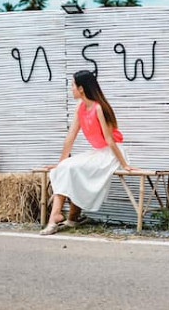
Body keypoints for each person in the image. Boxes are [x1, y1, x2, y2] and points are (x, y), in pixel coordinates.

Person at [40, 70, 137, 236]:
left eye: (72, 85)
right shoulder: (81, 108)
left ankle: (59, 217)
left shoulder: (98, 108)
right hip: (99, 152)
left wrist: (125, 164)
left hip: (111, 153)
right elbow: (70, 137)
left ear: (81, 89)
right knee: (67, 168)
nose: (71, 89)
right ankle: (64, 216)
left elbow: (109, 140)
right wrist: (61, 162)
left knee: (74, 168)